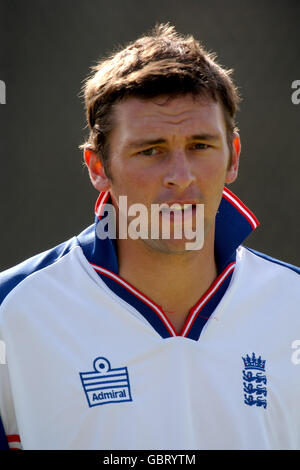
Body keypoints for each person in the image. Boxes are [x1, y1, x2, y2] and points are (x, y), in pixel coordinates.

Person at [0, 23, 299, 451]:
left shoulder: (293, 306)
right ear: (98, 167)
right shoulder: (11, 315)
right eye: (150, 150)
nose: (180, 176)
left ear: (233, 157)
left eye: (200, 146)